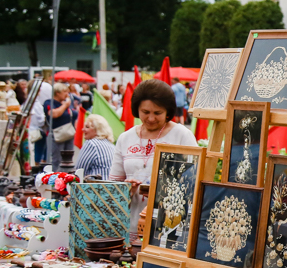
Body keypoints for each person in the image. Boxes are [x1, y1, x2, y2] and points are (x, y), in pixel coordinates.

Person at [110, 79, 197, 230]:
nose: (151, 118)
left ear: (168, 111)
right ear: (137, 109)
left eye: (157, 113)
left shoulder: (182, 136)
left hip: (170, 226)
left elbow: (195, 181)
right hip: (131, 224)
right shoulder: (125, 138)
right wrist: (126, 189)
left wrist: (164, 190)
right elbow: (112, 186)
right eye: (145, 112)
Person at [45, 83, 75, 171]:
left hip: (68, 133)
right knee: (57, 159)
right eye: (64, 91)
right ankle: (56, 175)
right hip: (57, 134)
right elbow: (54, 114)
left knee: (68, 160)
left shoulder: (64, 103)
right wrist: (65, 105)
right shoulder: (49, 102)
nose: (67, 94)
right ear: (57, 93)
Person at [75, 114, 116, 179]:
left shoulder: (91, 144)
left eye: (87, 127)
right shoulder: (111, 145)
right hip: (112, 183)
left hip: (96, 184)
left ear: (97, 130)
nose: (83, 129)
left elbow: (79, 171)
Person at [29, 77, 54, 165]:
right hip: (37, 130)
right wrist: (44, 119)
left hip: (33, 129)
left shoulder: (30, 101)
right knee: (38, 151)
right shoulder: (36, 104)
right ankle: (37, 165)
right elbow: (40, 120)